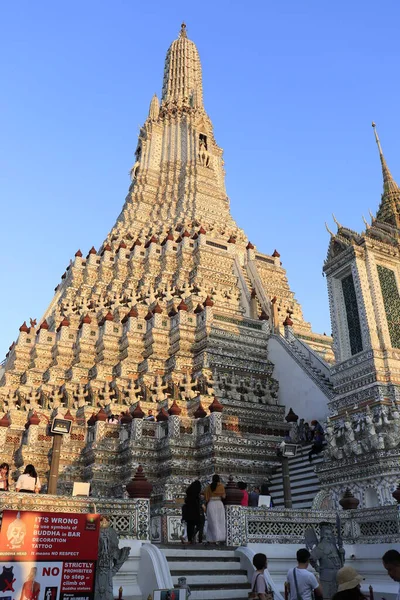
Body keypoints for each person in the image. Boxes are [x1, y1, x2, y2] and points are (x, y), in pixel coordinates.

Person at [204, 474, 226, 544]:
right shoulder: (221, 486)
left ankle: (211, 539)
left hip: (211, 504)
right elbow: (224, 496)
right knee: (220, 521)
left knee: (212, 522)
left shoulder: (208, 487)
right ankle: (219, 538)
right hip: (219, 504)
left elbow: (206, 498)